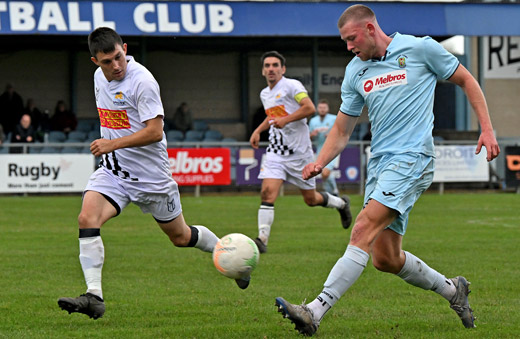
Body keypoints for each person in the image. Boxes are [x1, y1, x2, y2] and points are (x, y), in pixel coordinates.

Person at [274, 5, 500, 336]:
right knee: (385, 258)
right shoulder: (355, 71)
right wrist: (320, 161)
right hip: (380, 164)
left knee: (362, 228)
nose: (349, 47)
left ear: (369, 28)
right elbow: (341, 131)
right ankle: (454, 291)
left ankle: (314, 310)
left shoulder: (420, 48)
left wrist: (487, 129)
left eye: (351, 39)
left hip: (413, 158)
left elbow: (466, 79)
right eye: (344, 41)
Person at [57, 27, 247, 321]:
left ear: (125, 48)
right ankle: (94, 296)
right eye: (107, 61)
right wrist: (113, 149)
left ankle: (230, 255)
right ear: (95, 61)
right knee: (87, 218)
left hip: (152, 178)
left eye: (119, 57)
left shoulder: (142, 81)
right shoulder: (98, 79)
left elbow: (155, 132)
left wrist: (112, 143)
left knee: (181, 237)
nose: (116, 66)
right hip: (115, 172)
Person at [249, 51, 352, 254]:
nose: (271, 68)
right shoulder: (265, 94)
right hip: (276, 152)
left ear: (283, 69)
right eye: (267, 65)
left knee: (311, 200)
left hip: (300, 154)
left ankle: (341, 203)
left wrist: (286, 120)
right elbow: (272, 116)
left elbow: (309, 108)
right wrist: (258, 130)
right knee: (267, 192)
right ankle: (262, 239)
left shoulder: (292, 86)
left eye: (275, 65)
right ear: (263, 70)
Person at [309, 99, 340, 196]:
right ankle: (331, 194)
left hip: (332, 150)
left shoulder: (334, 119)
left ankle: (334, 192)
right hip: (320, 150)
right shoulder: (313, 121)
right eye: (320, 108)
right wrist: (312, 134)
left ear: (328, 109)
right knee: (323, 174)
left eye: (324, 108)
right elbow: (308, 136)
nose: (322, 109)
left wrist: (332, 134)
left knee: (326, 173)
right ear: (317, 109)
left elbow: (341, 132)